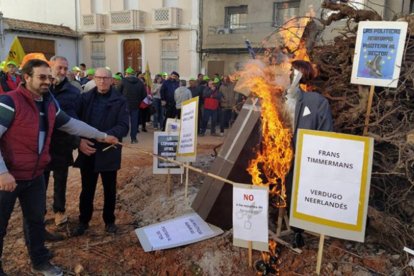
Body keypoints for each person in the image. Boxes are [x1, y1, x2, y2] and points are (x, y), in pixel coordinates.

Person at [0, 59, 118, 276]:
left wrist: (102, 136)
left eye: (49, 77)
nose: (47, 81)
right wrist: (2, 172)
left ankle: (40, 261)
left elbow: (73, 124)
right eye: (42, 77)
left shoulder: (49, 104)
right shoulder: (10, 102)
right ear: (26, 78)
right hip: (8, 177)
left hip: (35, 176)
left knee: (36, 221)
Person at [72, 67, 129, 237]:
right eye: (99, 78)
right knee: (87, 189)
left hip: (109, 149)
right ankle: (83, 221)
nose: (102, 81)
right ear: (94, 79)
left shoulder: (120, 100)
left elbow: (124, 125)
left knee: (109, 189)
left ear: (112, 80)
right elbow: (75, 122)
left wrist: (108, 136)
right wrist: (80, 141)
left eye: (106, 78)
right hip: (88, 149)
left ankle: (109, 221)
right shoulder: (84, 99)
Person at [284, 60, 333, 248]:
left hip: (304, 159)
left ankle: (297, 230)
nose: (290, 75)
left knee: (299, 193)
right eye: (289, 72)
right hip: (277, 157)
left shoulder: (316, 102)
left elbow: (326, 132)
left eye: (294, 73)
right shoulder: (276, 99)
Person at [44, 56, 81, 227]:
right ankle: (39, 213)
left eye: (66, 69)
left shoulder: (73, 92)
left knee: (60, 180)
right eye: (59, 68)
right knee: (39, 182)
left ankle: (59, 211)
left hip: (62, 144)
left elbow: (76, 119)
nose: (63, 72)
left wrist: (76, 141)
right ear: (50, 67)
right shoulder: (40, 89)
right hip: (41, 145)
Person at [118, 66, 146, 143]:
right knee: (134, 122)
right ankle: (133, 138)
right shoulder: (140, 82)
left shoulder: (123, 81)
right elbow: (144, 94)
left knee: (123, 121)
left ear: (127, 73)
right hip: (136, 105)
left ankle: (120, 137)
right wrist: (139, 100)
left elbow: (118, 93)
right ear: (134, 74)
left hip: (124, 105)